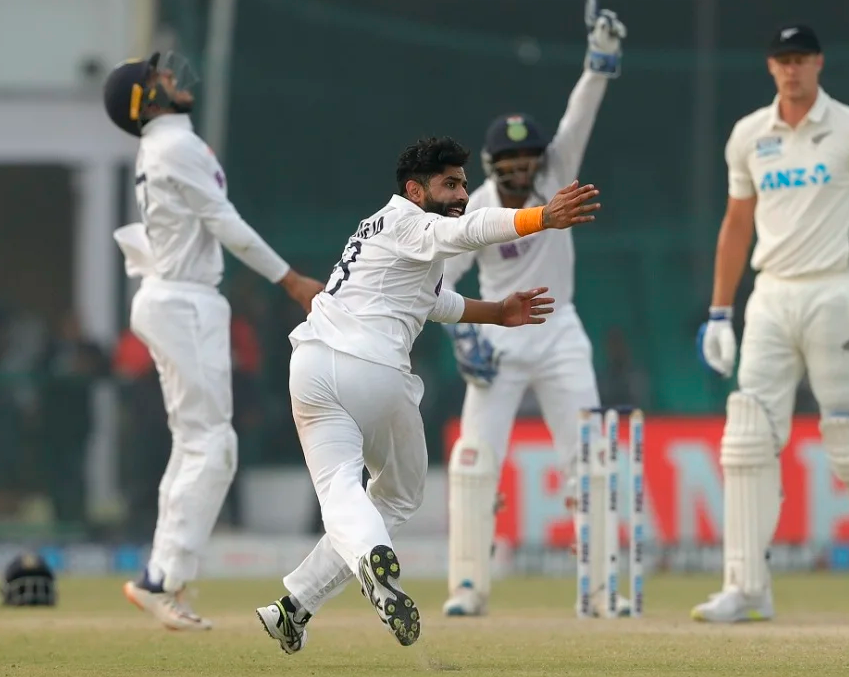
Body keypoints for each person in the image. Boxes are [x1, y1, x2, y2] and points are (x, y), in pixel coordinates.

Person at [254, 136, 601, 653]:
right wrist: (540, 217)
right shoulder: (414, 223)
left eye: (463, 183)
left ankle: (293, 609)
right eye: (450, 184)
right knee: (396, 496)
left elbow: (433, 300)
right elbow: (472, 230)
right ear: (415, 190)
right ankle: (371, 552)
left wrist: (498, 312)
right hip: (372, 370)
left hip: (309, 366)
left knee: (345, 492)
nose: (463, 193)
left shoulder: (379, 228)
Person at [694, 25, 849, 623]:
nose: (791, 70)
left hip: (836, 291)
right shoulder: (749, 134)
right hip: (770, 295)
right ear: (771, 67)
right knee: (746, 436)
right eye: (781, 61)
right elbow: (735, 224)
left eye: (800, 59)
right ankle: (747, 587)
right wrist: (719, 313)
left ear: (819, 63)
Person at [100, 51, 324, 631]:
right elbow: (225, 223)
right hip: (183, 298)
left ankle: (161, 575)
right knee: (213, 446)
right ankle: (162, 579)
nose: (171, 77)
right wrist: (290, 279)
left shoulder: (165, 145)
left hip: (172, 295)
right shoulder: (175, 145)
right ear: (146, 101)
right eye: (159, 79)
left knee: (194, 443)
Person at [439, 2, 628, 617]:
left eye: (532, 161)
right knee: (473, 461)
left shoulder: (557, 173)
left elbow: (580, 118)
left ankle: (599, 588)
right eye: (514, 165)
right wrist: (462, 338)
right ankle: (468, 586)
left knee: (591, 460)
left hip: (560, 334)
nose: (527, 171)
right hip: (500, 338)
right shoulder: (479, 209)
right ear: (493, 168)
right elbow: (441, 278)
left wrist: (599, 63)